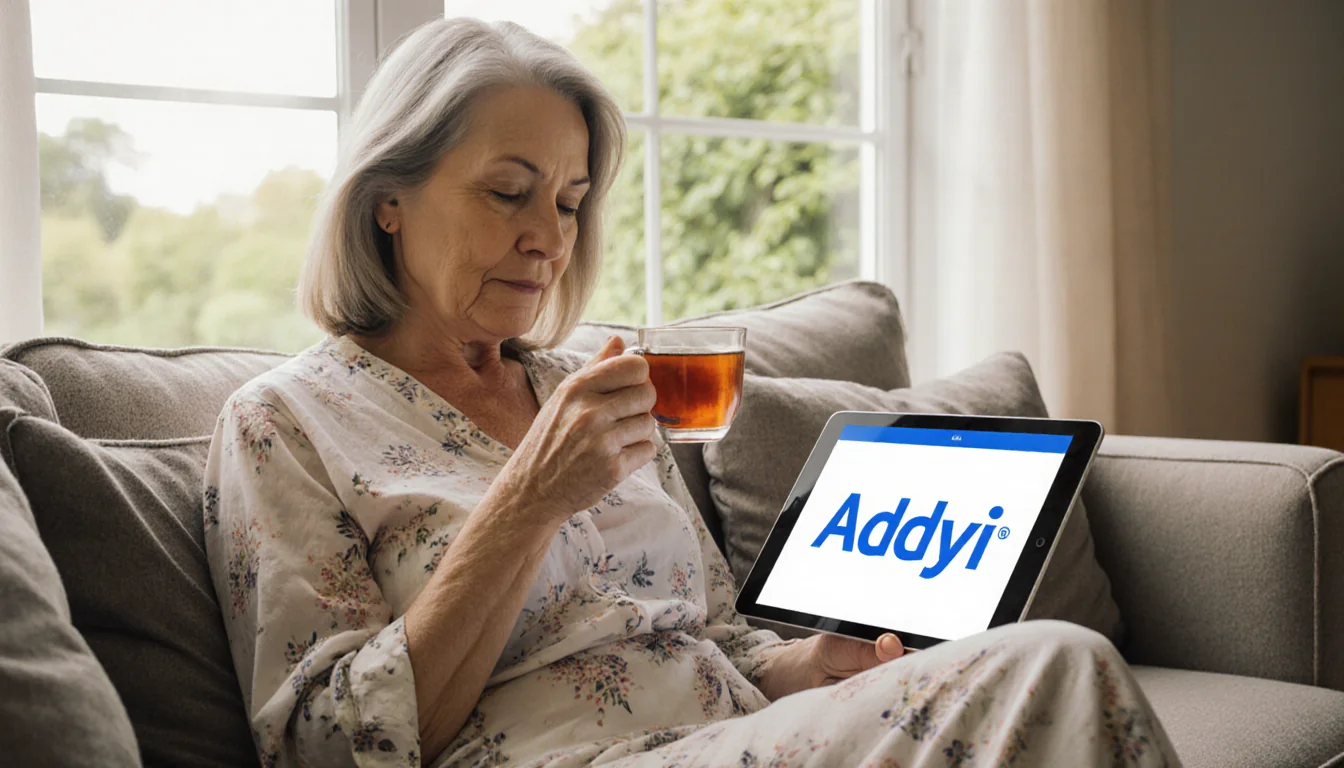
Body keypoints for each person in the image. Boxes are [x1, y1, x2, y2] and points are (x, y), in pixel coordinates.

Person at [203, 17, 1179, 768]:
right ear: (388, 199)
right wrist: (530, 498)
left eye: (572, 203)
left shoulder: (579, 390)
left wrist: (808, 668)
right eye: (510, 191)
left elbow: (716, 633)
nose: (550, 236)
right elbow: (325, 743)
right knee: (1054, 665)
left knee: (1023, 673)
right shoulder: (283, 425)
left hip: (731, 736)